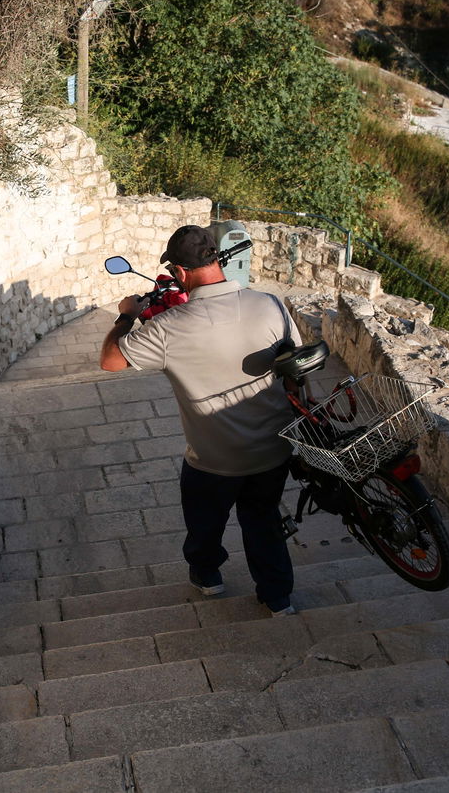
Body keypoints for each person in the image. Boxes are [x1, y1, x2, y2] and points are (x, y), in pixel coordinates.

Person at [99, 225, 299, 616]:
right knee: (263, 519)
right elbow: (293, 369)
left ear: (179, 272)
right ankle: (278, 599)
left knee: (205, 519)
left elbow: (109, 361)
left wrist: (126, 318)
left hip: (213, 457)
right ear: (217, 259)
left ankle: (208, 576)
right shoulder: (270, 304)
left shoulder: (168, 327)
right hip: (273, 448)